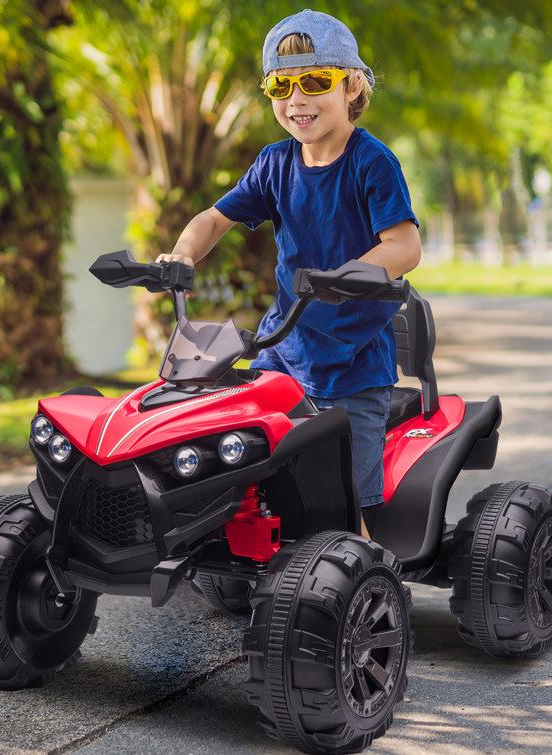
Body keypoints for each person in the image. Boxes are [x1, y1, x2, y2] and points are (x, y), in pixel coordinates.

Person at [158, 9, 421, 536]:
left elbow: (404, 245)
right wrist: (182, 254)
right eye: (281, 86)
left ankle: (362, 591)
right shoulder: (275, 163)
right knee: (253, 471)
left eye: (315, 82)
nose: (297, 100)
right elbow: (214, 218)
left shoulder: (371, 162)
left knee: (344, 497)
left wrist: (348, 275)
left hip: (352, 363)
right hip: (285, 352)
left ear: (351, 86)